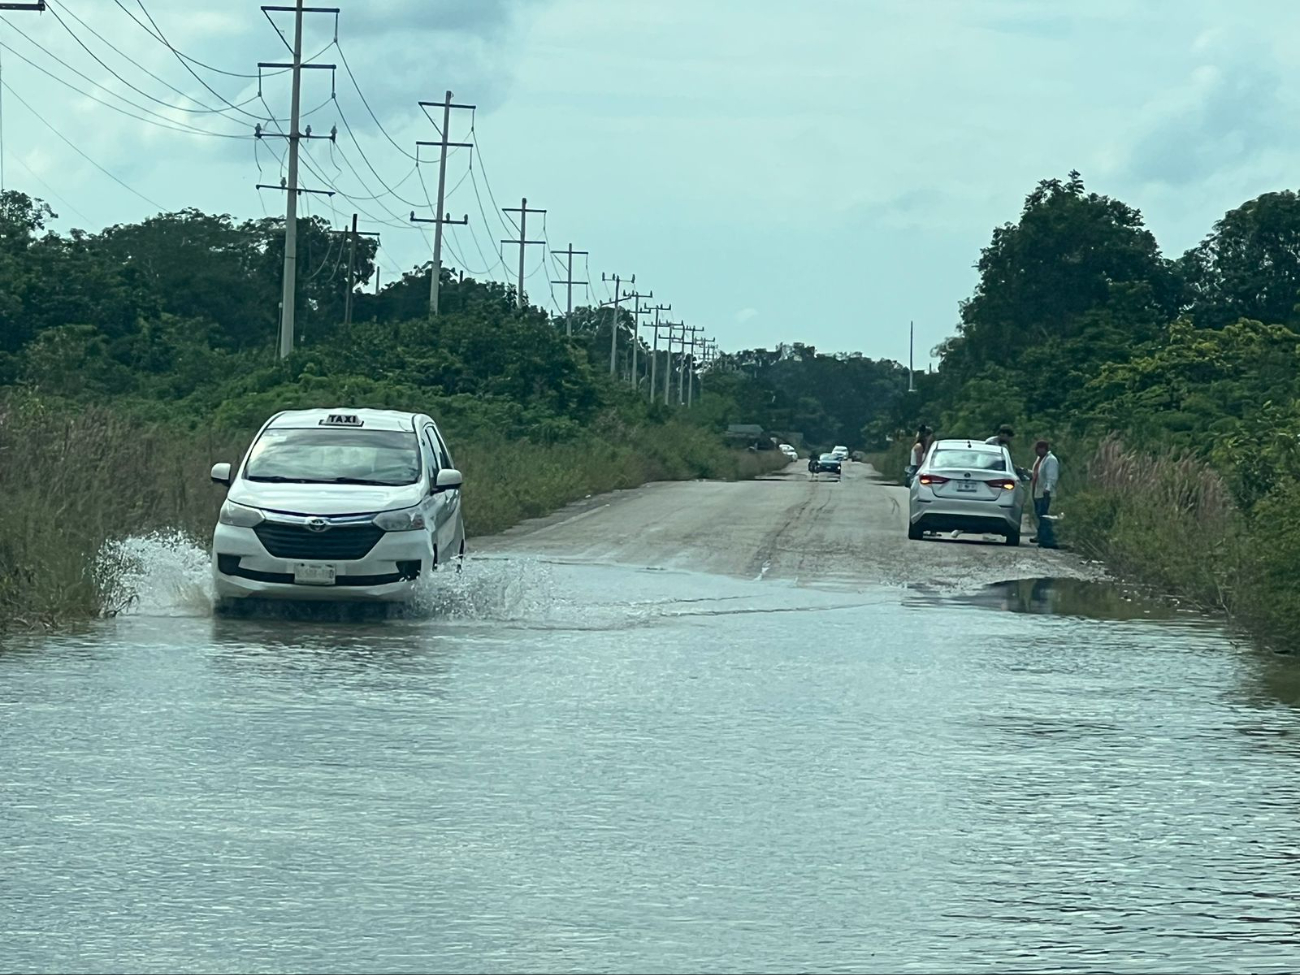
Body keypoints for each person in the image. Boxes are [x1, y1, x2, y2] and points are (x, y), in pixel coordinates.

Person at [1030, 439, 1060, 549]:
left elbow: (1051, 477)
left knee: (1044, 515)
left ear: (1043, 449)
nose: (1036, 452)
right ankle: (1040, 536)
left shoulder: (1050, 460)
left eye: (1038, 449)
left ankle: (1046, 539)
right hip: (1037, 491)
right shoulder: (1040, 459)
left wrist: (1047, 489)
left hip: (1045, 493)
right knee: (1039, 515)